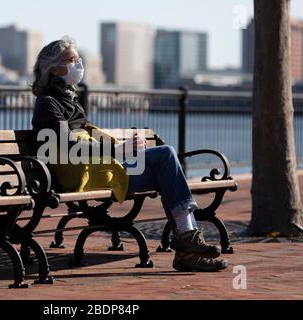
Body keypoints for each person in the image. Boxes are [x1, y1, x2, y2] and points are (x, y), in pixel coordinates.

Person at [31, 37, 228, 272]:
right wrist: (119, 149)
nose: (79, 63)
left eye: (79, 58)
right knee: (165, 158)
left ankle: (187, 245)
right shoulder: (48, 103)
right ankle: (187, 242)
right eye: (72, 59)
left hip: (98, 167)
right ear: (53, 68)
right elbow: (69, 148)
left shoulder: (67, 99)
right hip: (82, 176)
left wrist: (124, 147)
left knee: (166, 161)